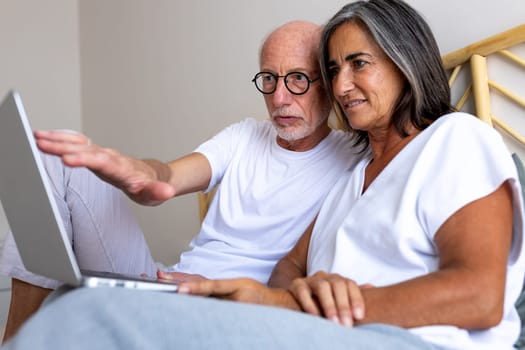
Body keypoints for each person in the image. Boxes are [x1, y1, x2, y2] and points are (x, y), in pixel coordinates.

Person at [3, 1, 525, 349]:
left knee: (86, 314)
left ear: (404, 61)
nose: (343, 86)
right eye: (335, 69)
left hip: (387, 334)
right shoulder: (356, 179)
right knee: (82, 300)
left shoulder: (452, 138)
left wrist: (306, 302)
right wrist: (301, 291)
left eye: (357, 65)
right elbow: (286, 270)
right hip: (296, 320)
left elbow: (482, 295)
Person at [0, 20, 356, 341]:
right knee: (56, 154)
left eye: (298, 78)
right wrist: (141, 173)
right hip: (168, 282)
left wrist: (221, 290)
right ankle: (14, 339)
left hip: (235, 303)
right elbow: (168, 175)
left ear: (327, 82)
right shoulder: (245, 135)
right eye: (269, 79)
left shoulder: (355, 161)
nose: (279, 98)